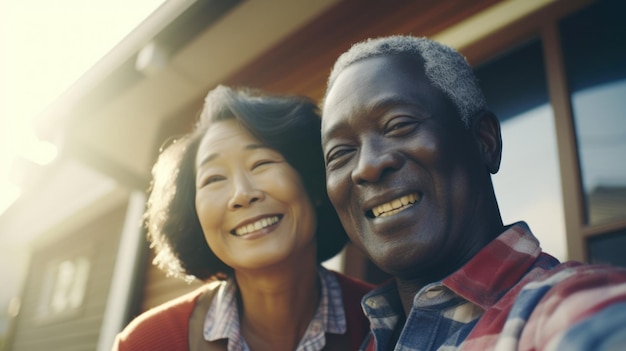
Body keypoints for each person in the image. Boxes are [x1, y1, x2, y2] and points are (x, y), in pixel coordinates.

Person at [320, 35, 626, 351]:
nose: (366, 167)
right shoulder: (364, 341)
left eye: (398, 125)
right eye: (340, 152)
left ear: (485, 141)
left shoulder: (569, 310)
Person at [113, 85, 373, 351]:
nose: (242, 194)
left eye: (261, 163)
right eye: (214, 179)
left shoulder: (387, 323)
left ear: (314, 182)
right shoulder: (145, 343)